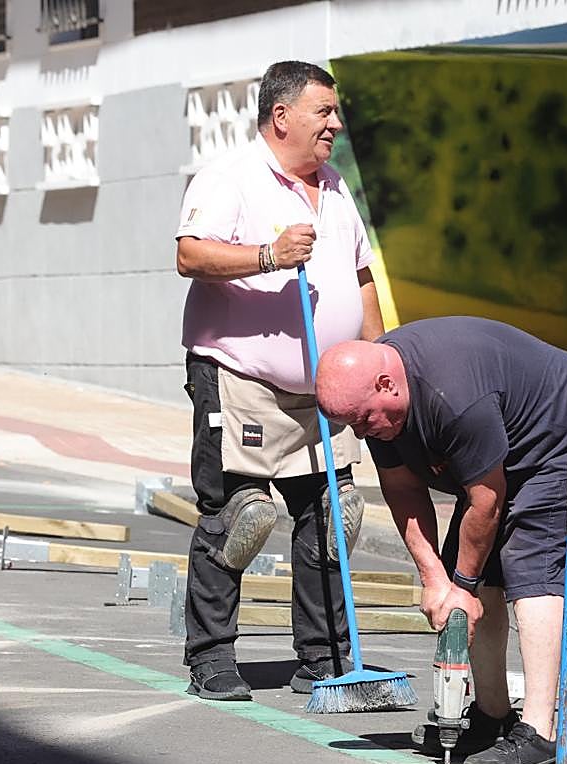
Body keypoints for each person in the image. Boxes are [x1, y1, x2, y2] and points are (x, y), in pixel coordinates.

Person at [314, 317, 567, 764]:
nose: (361, 433)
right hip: (510, 447)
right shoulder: (379, 405)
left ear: (387, 384)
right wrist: (435, 580)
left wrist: (460, 584)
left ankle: (541, 733)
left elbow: (486, 499)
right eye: (351, 426)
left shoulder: (453, 396)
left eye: (363, 420)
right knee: (472, 575)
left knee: (530, 562)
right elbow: (403, 492)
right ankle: (492, 717)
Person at [174, 61, 384, 701]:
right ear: (281, 115)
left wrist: (379, 357)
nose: (335, 124)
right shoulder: (230, 177)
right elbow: (189, 254)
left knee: (333, 517)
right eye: (324, 112)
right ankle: (211, 657)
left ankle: (325, 659)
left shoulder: (337, 186)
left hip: (325, 383)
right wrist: (269, 256)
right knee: (242, 516)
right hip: (240, 378)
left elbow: (362, 274)